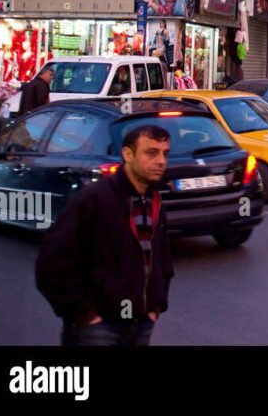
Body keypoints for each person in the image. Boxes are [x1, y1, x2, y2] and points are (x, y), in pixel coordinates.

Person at [36, 125, 174, 346]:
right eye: (151, 152)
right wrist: (85, 314)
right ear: (127, 154)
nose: (161, 161)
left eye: (165, 153)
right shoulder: (94, 199)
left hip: (141, 323)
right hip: (99, 328)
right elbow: (52, 263)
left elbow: (161, 260)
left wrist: (155, 307)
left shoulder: (153, 201)